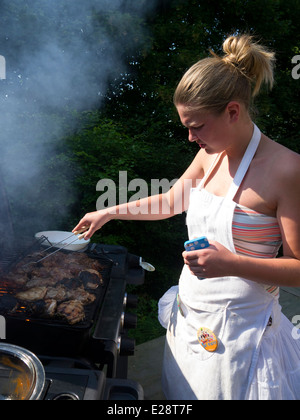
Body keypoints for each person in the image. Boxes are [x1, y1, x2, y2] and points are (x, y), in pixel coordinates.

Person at [73, 34, 300, 400]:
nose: (190, 137)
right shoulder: (210, 154)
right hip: (191, 321)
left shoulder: (286, 169)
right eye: (186, 126)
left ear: (232, 111)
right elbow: (170, 201)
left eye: (197, 125)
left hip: (243, 337)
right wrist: (108, 212)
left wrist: (231, 264)